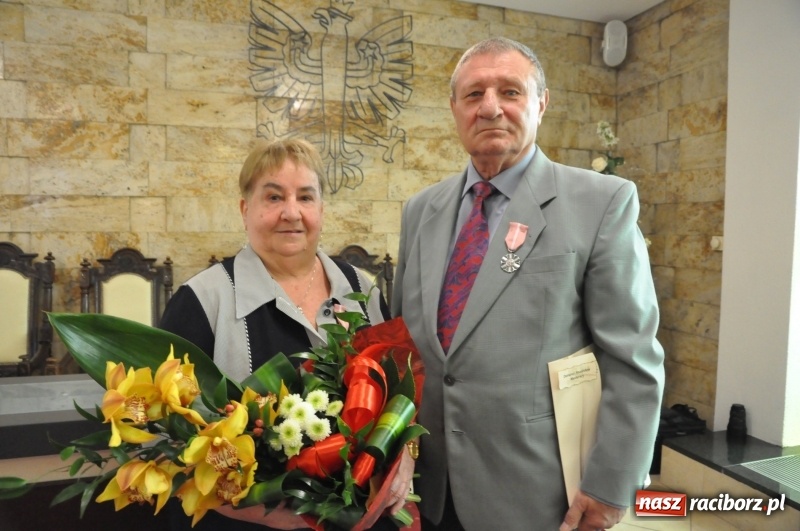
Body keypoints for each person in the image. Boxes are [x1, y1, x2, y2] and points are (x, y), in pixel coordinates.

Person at [392, 37, 665, 531]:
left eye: (510, 91)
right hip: (427, 490)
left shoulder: (601, 202)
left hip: (537, 496)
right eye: (473, 95)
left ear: (541, 103)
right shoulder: (420, 211)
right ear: (454, 109)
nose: (490, 107)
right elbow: (404, 350)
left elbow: (633, 360)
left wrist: (610, 484)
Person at [160, 138, 414, 530]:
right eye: (274, 197)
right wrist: (264, 513)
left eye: (305, 198)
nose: (291, 213)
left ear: (322, 210)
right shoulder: (201, 302)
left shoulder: (360, 288)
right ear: (246, 210)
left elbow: (402, 398)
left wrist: (407, 454)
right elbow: (167, 445)